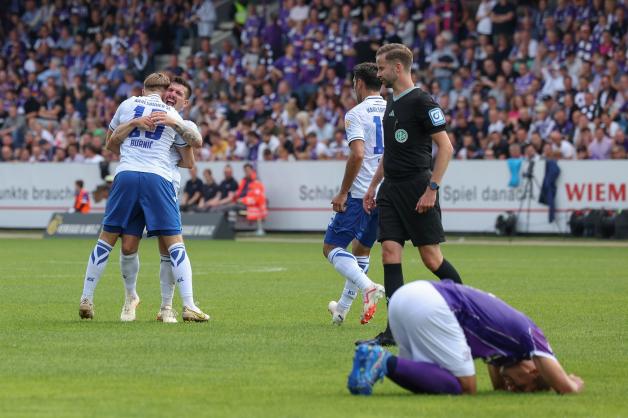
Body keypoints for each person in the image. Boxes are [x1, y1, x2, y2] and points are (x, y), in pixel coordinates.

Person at [359, 44, 463, 346]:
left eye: (381, 68)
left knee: (431, 259)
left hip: (418, 188)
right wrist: (373, 186)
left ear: (398, 68)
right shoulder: (390, 101)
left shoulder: (422, 101)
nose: (378, 74)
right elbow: (389, 152)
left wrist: (432, 188)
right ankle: (394, 331)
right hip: (390, 188)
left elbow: (446, 147)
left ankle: (467, 312)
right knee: (389, 252)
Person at [77, 73, 203, 321]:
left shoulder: (181, 121)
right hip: (140, 178)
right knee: (127, 245)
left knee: (167, 248)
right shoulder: (136, 108)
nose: (172, 95)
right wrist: (136, 124)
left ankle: (167, 307)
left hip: (163, 184)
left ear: (185, 102)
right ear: (162, 91)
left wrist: (171, 125)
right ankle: (129, 298)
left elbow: (188, 161)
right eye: (170, 90)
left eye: (178, 93)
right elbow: (111, 145)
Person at [347, 280, 585, 396]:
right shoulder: (530, 334)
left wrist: (507, 379)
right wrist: (572, 381)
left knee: (425, 375)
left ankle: (375, 363)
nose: (513, 389)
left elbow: (499, 385)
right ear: (534, 371)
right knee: (466, 387)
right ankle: (382, 360)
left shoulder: (504, 350)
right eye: (522, 387)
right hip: (432, 304)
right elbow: (565, 388)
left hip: (406, 298)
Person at [323, 62, 386, 326]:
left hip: (361, 193)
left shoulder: (355, 114)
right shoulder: (394, 109)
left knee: (331, 247)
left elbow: (358, 153)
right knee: (361, 250)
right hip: (387, 191)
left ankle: (368, 286)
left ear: (359, 83)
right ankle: (342, 309)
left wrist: (343, 192)